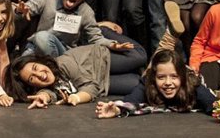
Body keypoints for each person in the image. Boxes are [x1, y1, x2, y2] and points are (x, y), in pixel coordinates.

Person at [9, 41, 148, 108]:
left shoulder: (63, 64)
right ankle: (135, 70)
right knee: (140, 84)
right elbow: (49, 94)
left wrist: (76, 97)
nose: (39, 75)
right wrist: (43, 97)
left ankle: (104, 28)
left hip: (100, 59)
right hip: (101, 82)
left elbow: (91, 86)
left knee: (140, 57)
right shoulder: (46, 86)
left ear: (40, 62)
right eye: (31, 78)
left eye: (35, 67)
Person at [95, 48, 216, 117]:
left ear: (182, 77)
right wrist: (117, 110)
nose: (168, 82)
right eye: (161, 77)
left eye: (174, 77)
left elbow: (212, 103)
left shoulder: (192, 84)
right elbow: (130, 101)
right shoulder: (147, 83)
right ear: (154, 78)